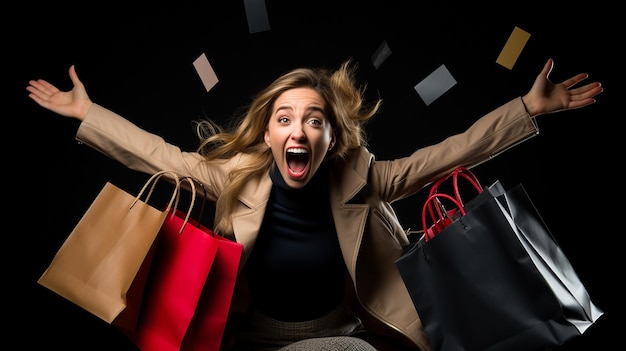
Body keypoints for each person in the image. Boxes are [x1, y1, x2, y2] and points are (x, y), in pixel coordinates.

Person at [26, 58, 602, 351]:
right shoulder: (234, 177)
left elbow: (451, 153)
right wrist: (86, 114)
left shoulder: (365, 179)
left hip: (345, 332)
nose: (298, 130)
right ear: (269, 135)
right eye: (284, 119)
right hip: (253, 338)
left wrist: (528, 108)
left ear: (331, 138)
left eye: (314, 120)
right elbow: (159, 156)